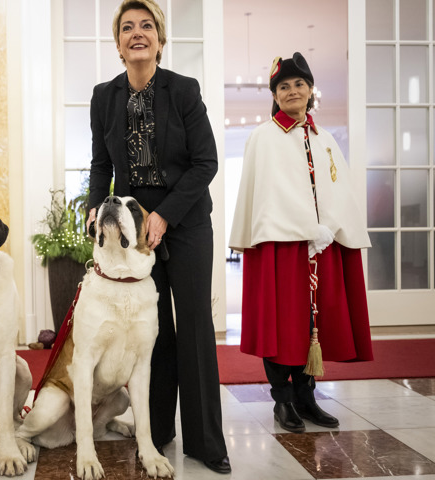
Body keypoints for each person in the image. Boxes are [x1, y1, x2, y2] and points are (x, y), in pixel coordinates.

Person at [84, 0, 230, 474]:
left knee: (191, 325)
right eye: (127, 27)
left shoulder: (183, 91)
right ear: (119, 44)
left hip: (184, 221)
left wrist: (164, 214)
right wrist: (94, 204)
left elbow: (206, 162)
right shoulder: (104, 97)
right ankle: (158, 430)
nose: (137, 33)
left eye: (147, 25)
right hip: (132, 227)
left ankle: (207, 443)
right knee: (154, 332)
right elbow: (101, 164)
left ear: (160, 42)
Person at [229, 53, 374, 433]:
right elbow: (261, 195)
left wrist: (331, 227)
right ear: (275, 96)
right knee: (283, 324)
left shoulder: (325, 139)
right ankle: (283, 401)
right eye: (283, 86)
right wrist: (299, 226)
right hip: (281, 246)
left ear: (311, 91)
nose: (292, 91)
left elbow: (338, 190)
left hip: (322, 246)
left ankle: (308, 397)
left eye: (299, 84)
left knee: (315, 322)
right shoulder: (263, 137)